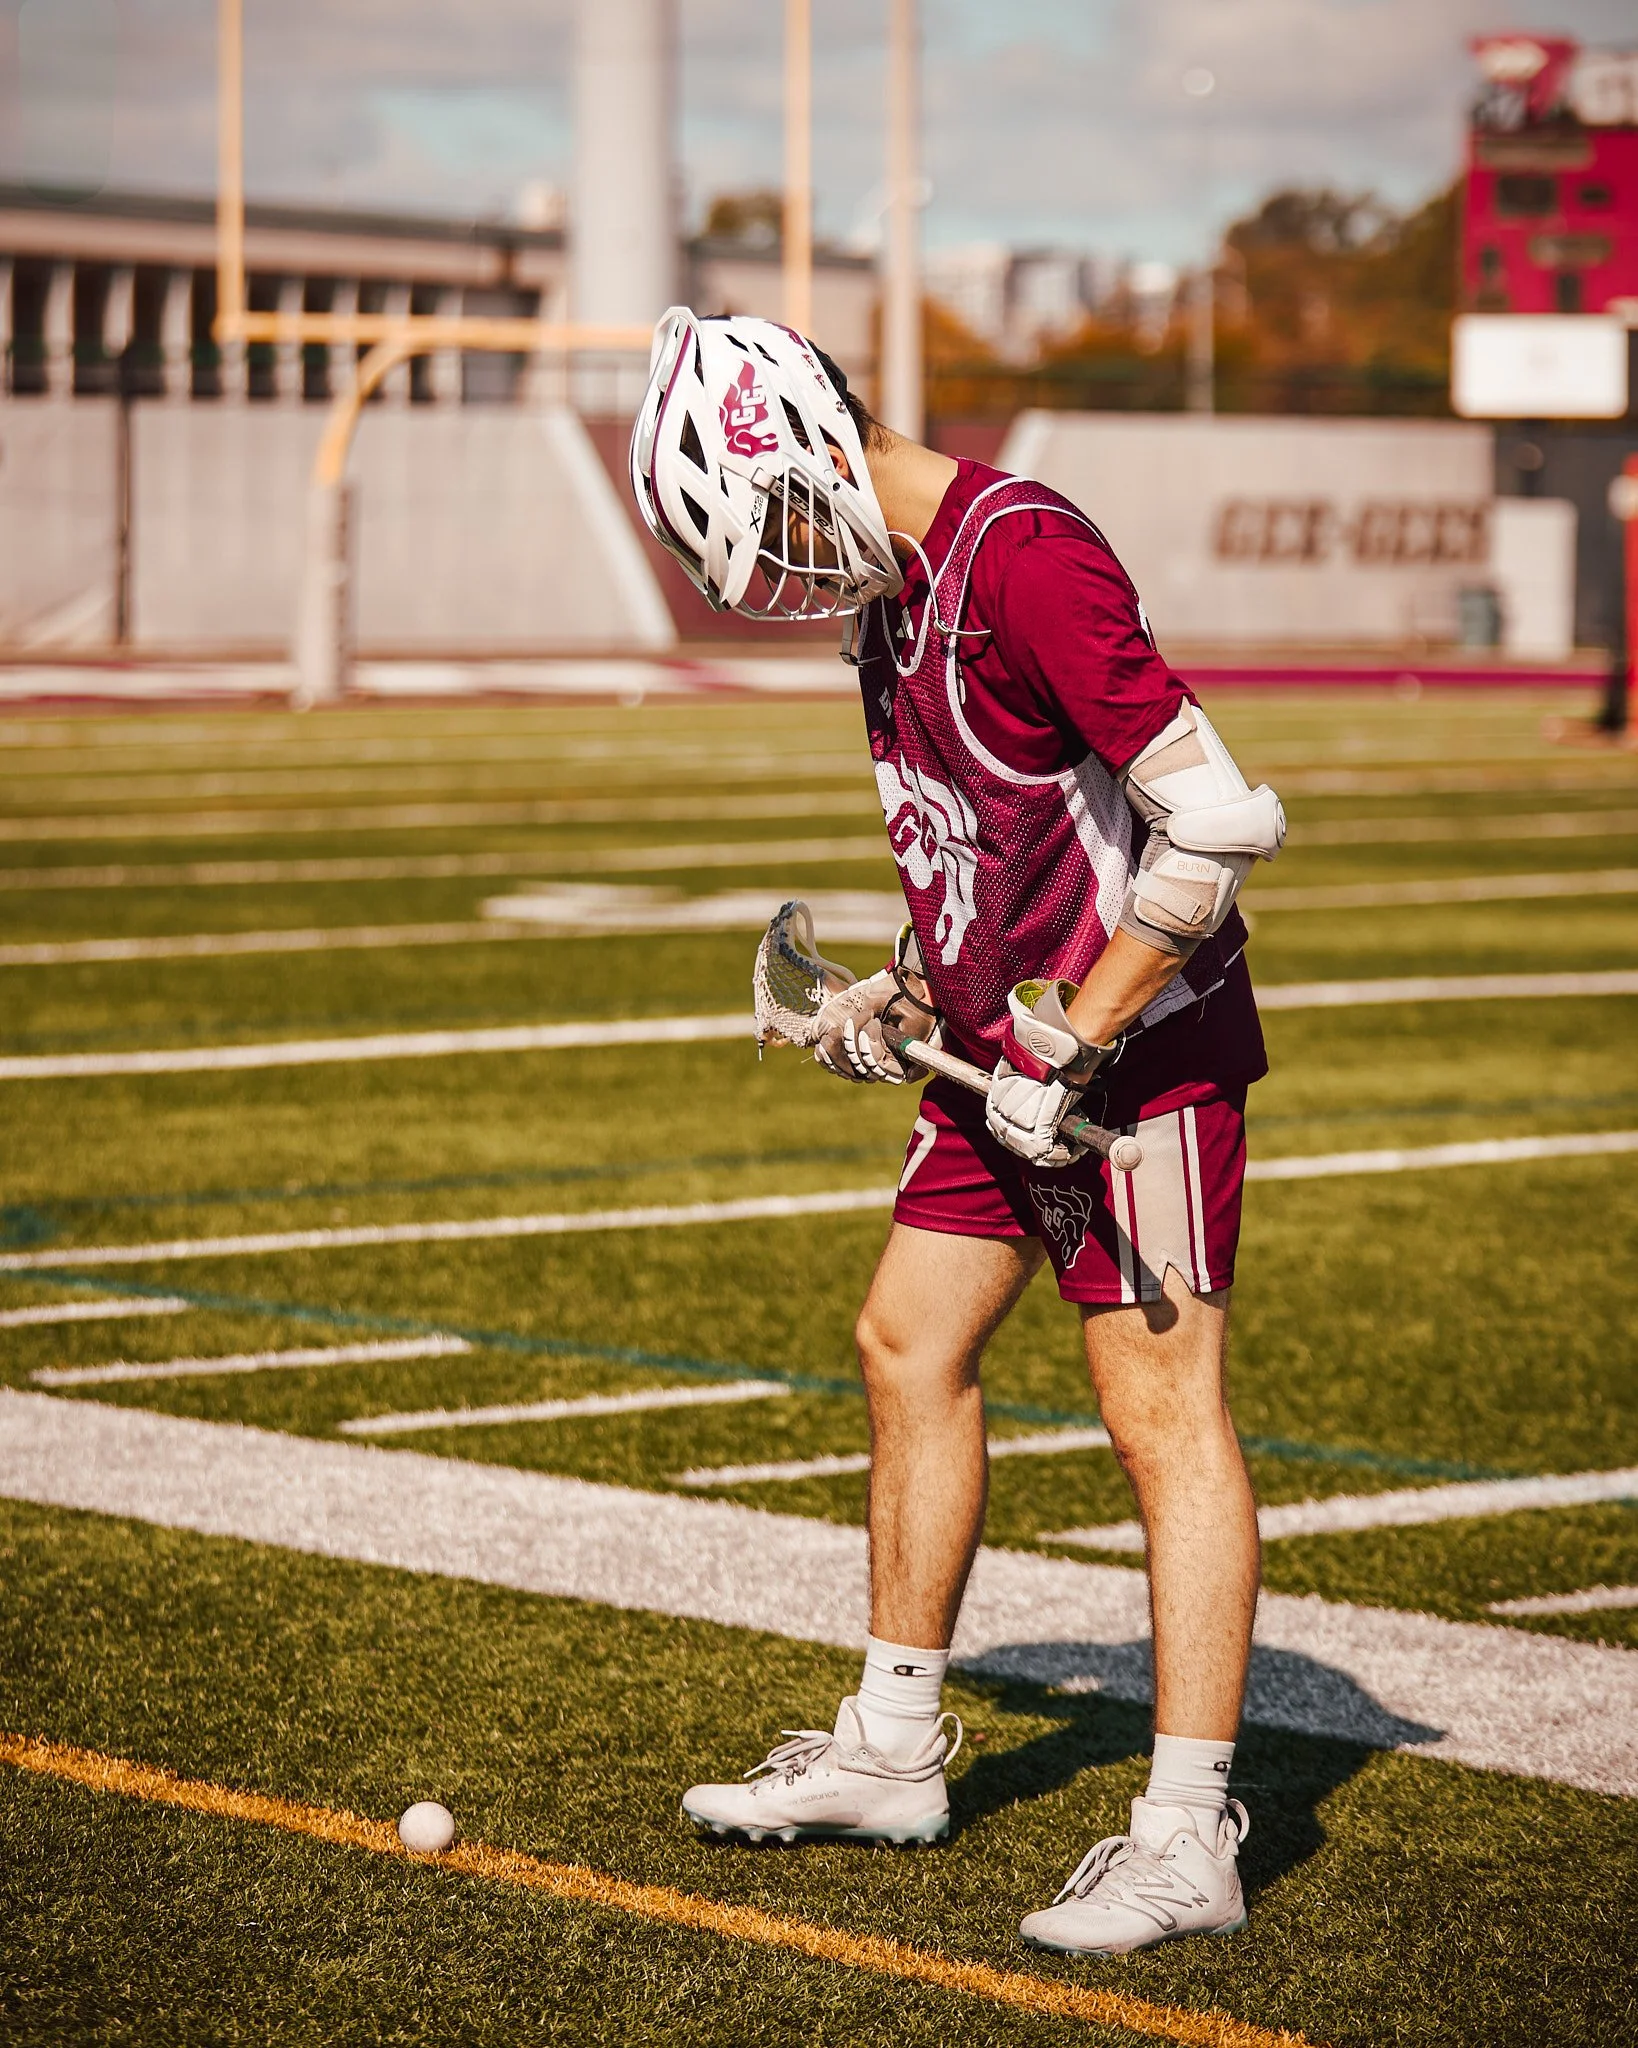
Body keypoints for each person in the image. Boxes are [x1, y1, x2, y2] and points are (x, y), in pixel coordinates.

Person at [629, 309, 1285, 1957]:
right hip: (1001, 1062)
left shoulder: (1023, 553)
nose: (783, 564)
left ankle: (1186, 1829)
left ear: (810, 446)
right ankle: (895, 1746)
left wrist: (1083, 1026)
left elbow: (1214, 823)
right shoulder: (892, 592)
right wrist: (907, 978)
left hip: (1134, 1062)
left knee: (1159, 1413)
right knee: (903, 1343)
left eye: (772, 519)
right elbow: (999, 848)